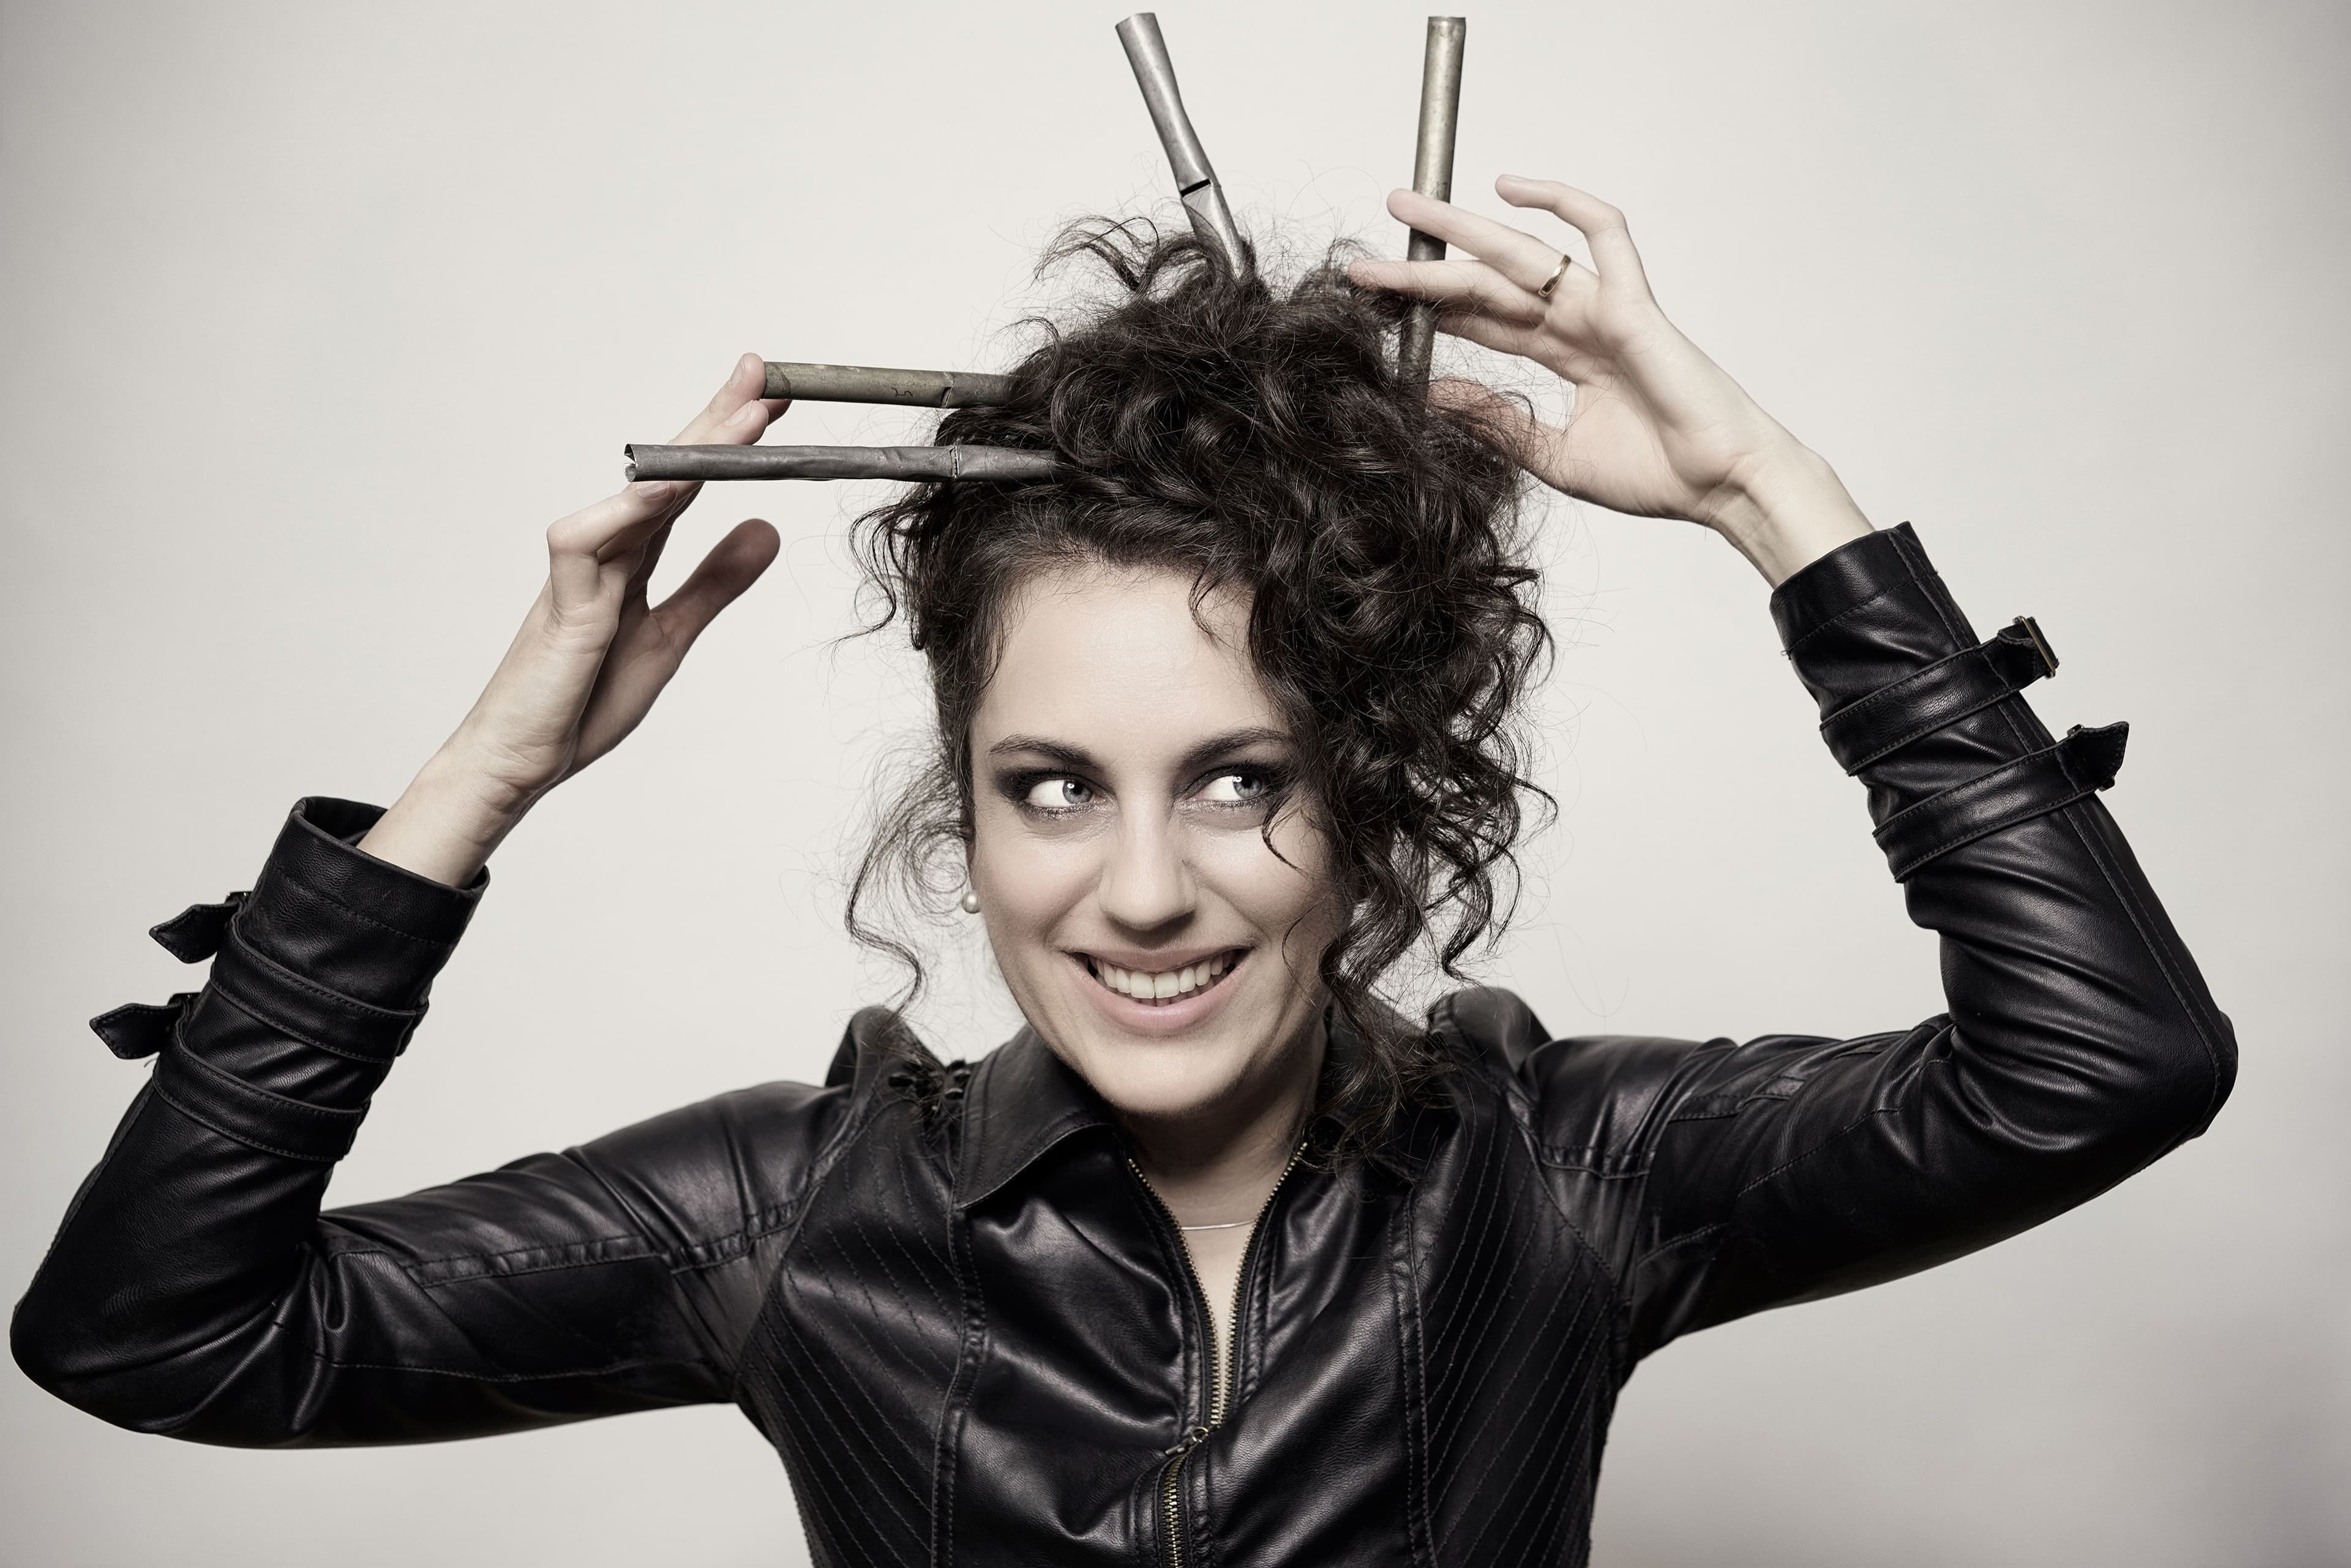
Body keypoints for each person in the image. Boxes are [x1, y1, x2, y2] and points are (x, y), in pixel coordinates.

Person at [11, 178, 2235, 1567]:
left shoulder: (1560, 1175)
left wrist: (1767, 493)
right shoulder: (795, 1220)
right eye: (1056, 785)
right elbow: (152, 1333)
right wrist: (479, 779)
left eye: (1243, 778)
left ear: (1378, 792)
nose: (1142, 890)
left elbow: (2105, 1061)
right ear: (965, 806)